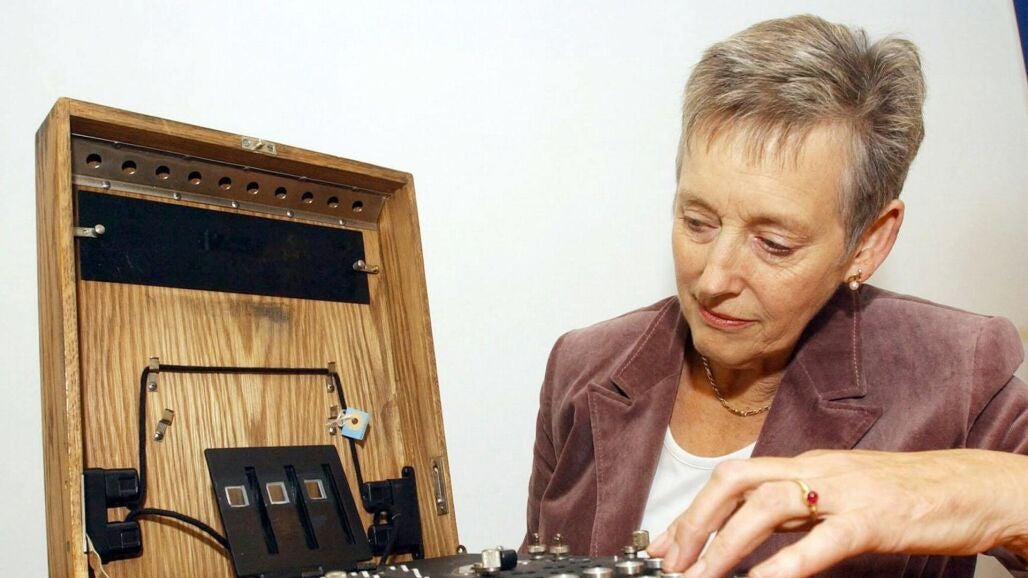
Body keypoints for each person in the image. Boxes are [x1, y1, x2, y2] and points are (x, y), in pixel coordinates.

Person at [522, 14, 1027, 577]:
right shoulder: (584, 367)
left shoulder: (951, 370)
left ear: (867, 243)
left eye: (774, 244)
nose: (714, 279)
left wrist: (939, 490)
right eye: (697, 221)